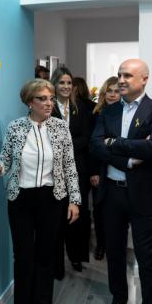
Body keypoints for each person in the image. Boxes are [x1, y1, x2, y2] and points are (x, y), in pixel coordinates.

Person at [0, 78, 81, 304]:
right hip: (21, 199)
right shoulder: (16, 127)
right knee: (23, 255)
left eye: (51, 99)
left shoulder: (60, 128)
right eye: (42, 99)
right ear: (30, 102)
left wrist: (75, 199)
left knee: (45, 255)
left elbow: (69, 165)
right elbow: (6, 158)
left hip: (51, 198)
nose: (49, 103)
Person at [90, 59, 152, 304]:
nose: (121, 80)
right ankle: (119, 300)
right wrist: (127, 159)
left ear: (144, 79)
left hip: (144, 195)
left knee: (147, 260)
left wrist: (114, 143)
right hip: (112, 193)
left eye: (127, 75)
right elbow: (95, 146)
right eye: (119, 75)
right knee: (114, 253)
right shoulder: (108, 110)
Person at [50, 67, 93, 276]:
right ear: (54, 85)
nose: (66, 86)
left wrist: (66, 146)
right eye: (62, 83)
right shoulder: (48, 107)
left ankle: (76, 257)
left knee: (78, 216)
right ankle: (57, 264)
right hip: (53, 172)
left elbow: (87, 137)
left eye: (69, 83)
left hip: (78, 170)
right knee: (57, 218)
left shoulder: (80, 108)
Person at [90, 76, 121, 260]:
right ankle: (101, 244)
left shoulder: (124, 114)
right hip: (98, 169)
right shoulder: (95, 113)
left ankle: (114, 245)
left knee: (116, 211)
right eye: (109, 91)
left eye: (116, 91)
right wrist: (94, 171)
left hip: (117, 167)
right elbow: (92, 145)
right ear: (104, 92)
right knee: (99, 209)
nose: (112, 94)